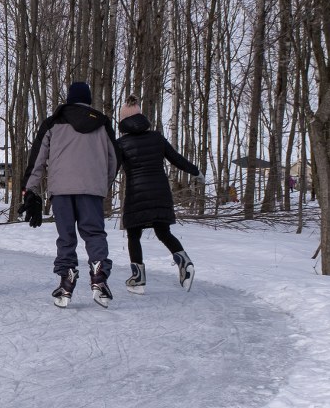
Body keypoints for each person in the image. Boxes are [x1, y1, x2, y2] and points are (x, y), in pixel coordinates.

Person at [23, 81, 118, 308]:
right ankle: (99, 278)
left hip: (62, 190)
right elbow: (114, 159)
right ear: (88, 100)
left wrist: (30, 189)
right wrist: (102, 185)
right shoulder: (102, 123)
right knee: (94, 234)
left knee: (66, 237)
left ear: (69, 99)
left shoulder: (53, 122)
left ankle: (66, 282)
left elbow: (38, 159)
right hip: (91, 190)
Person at [115, 96, 202, 292]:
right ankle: (184, 262)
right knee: (163, 232)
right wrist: (195, 171)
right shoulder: (157, 138)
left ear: (123, 121)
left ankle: (138, 279)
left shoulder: (121, 143)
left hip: (137, 195)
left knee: (133, 234)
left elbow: (111, 171)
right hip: (160, 192)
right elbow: (177, 159)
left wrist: (98, 189)